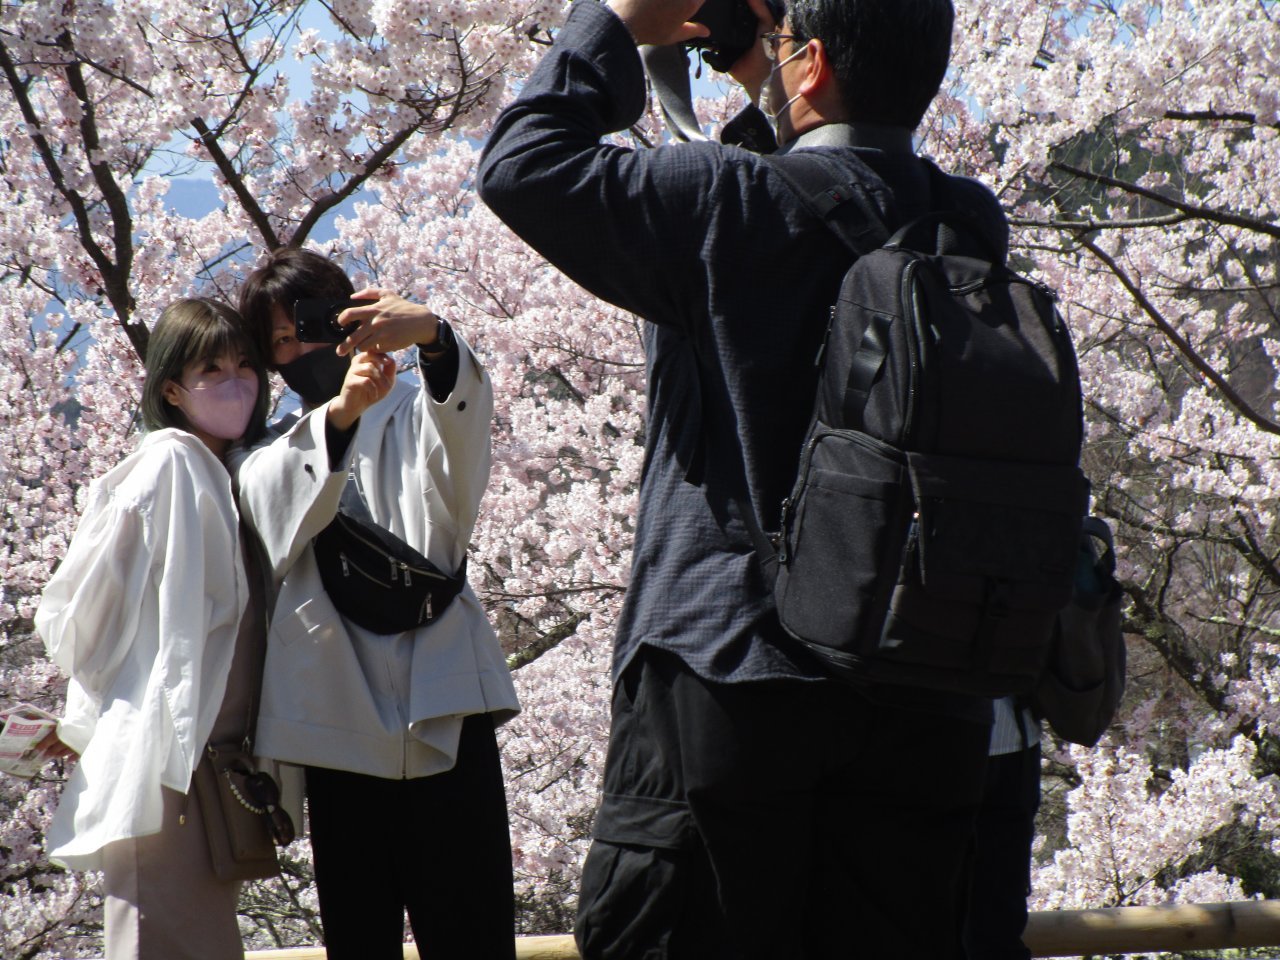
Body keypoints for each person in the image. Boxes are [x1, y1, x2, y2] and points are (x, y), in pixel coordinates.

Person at [478, 0, 1009, 956]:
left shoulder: (724, 201)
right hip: (922, 685)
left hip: (731, 667)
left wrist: (615, 18)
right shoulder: (969, 223)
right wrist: (776, 75)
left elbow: (524, 166)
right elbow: (828, 186)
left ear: (808, 68)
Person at [232, 248, 520, 960]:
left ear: (351, 318)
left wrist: (433, 336)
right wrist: (341, 412)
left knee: (474, 930)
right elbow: (268, 507)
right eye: (280, 345)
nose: (300, 351)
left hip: (445, 706)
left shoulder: (417, 414)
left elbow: (462, 436)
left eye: (309, 327)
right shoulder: (274, 449)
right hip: (336, 723)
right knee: (360, 938)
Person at [34, 297, 272, 959]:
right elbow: (83, 611)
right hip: (162, 762)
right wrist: (88, 716)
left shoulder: (224, 471)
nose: (234, 382)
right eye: (211, 368)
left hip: (204, 762)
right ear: (172, 388)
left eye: (244, 364)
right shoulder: (169, 461)